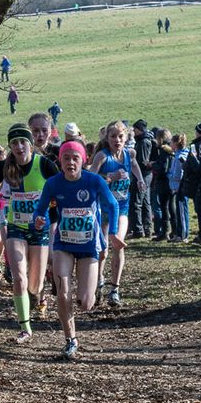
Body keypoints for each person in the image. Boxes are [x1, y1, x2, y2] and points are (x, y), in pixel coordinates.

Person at [33, 140, 122, 360]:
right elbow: (40, 208)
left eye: (75, 158)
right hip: (64, 244)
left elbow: (113, 204)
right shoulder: (53, 183)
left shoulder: (94, 181)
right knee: (63, 290)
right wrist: (39, 220)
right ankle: (70, 339)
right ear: (60, 161)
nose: (71, 162)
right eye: (66, 158)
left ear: (83, 160)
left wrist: (113, 233)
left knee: (85, 303)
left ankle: (94, 288)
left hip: (89, 245)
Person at [0, 123, 59, 343]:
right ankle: (25, 328)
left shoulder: (45, 165)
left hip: (40, 230)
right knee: (18, 278)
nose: (19, 146)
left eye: (23, 142)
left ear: (30, 144)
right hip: (16, 229)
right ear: (10, 146)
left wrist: (54, 212)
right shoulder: (4, 167)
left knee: (34, 285)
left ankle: (38, 293)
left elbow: (61, 191)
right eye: (14, 143)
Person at [87, 120, 144, 306]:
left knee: (119, 244)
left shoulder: (129, 153)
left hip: (122, 207)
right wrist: (109, 178)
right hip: (103, 209)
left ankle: (115, 289)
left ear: (126, 137)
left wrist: (140, 179)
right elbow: (91, 179)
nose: (117, 140)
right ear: (107, 138)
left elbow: (134, 165)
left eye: (120, 136)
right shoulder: (102, 157)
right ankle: (99, 282)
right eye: (113, 137)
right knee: (102, 251)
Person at [128, 120, 154, 238]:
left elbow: (142, 161)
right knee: (145, 201)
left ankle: (138, 229)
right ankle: (147, 228)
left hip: (142, 175)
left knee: (137, 202)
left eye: (134, 129)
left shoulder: (143, 142)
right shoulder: (145, 140)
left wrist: (132, 165)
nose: (133, 131)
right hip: (146, 175)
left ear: (139, 129)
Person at [150, 129, 174, 241]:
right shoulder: (172, 149)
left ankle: (165, 232)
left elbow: (163, 168)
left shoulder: (164, 151)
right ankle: (174, 230)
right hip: (171, 182)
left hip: (164, 182)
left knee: (164, 208)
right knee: (171, 207)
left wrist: (153, 165)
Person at [168, 133, 190, 242]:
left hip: (180, 187)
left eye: (171, 142)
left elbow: (178, 175)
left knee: (182, 210)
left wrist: (169, 175)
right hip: (180, 186)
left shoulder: (178, 157)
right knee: (181, 209)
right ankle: (180, 233)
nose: (170, 144)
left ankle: (183, 235)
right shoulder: (181, 154)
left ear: (176, 143)